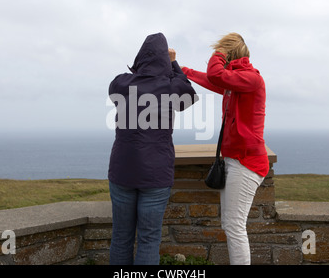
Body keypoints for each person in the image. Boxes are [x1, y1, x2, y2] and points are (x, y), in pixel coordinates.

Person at [108, 32, 197, 265]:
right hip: (156, 174)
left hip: (122, 171)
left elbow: (128, 81)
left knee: (120, 237)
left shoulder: (121, 83)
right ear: (163, 61)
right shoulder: (170, 87)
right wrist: (173, 63)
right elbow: (188, 92)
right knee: (149, 239)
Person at [181, 33, 269, 265]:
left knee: (234, 225)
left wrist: (219, 53)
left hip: (246, 162)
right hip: (234, 160)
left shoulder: (252, 79)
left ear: (230, 54)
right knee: (230, 224)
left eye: (222, 53)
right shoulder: (236, 82)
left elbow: (215, 74)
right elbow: (212, 80)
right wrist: (184, 71)